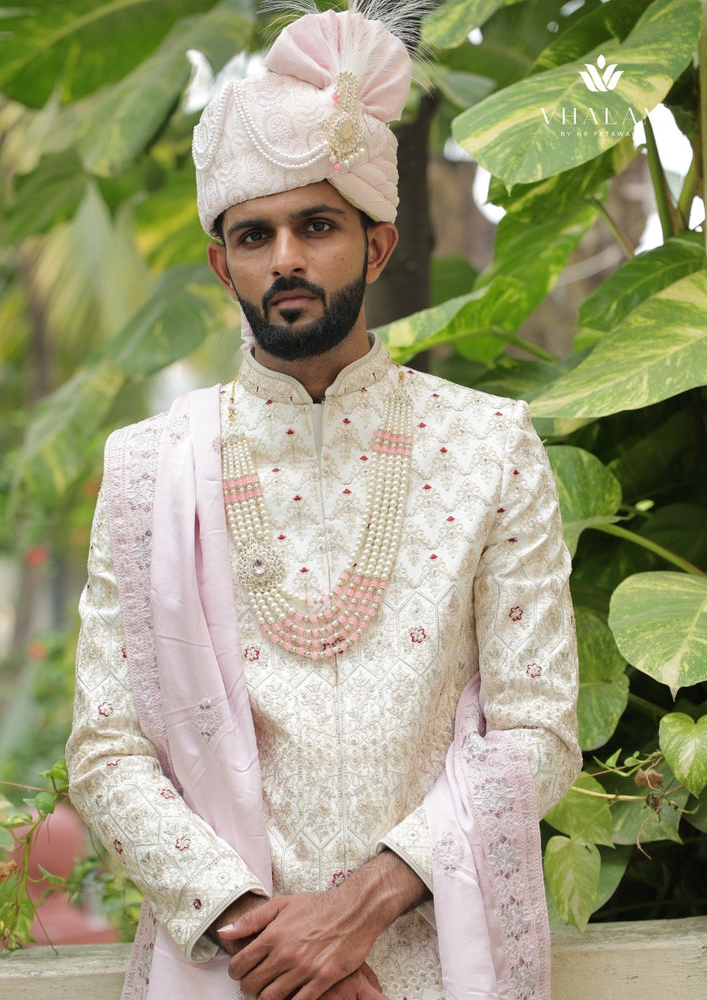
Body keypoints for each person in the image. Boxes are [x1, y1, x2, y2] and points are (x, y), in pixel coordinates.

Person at [65, 3, 581, 1000]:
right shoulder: (149, 468)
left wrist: (357, 909)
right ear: (222, 265)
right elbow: (107, 746)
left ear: (376, 247)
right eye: (253, 235)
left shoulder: (487, 445)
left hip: (435, 965)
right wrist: (275, 946)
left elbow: (536, 729)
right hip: (231, 966)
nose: (285, 259)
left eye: (316, 225)